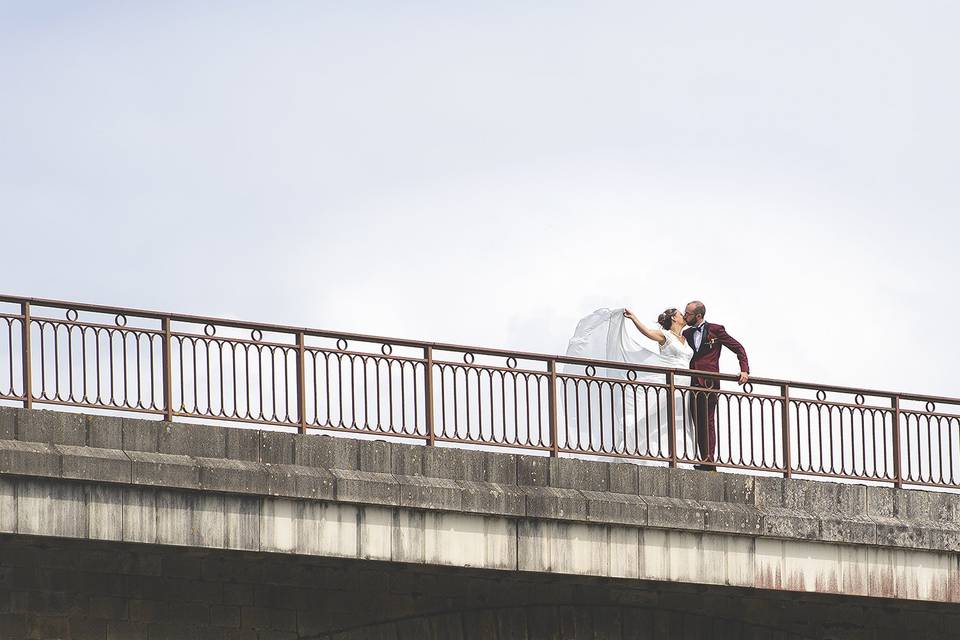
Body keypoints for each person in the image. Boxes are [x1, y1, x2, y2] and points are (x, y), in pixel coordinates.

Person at [564, 307, 694, 460]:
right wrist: (634, 318)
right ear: (673, 318)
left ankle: (678, 455)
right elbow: (647, 332)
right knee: (661, 415)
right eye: (680, 314)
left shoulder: (685, 338)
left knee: (679, 417)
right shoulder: (665, 335)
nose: (683, 316)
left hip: (685, 385)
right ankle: (645, 447)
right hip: (670, 382)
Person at [681, 300, 750, 471]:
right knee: (696, 420)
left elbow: (738, 348)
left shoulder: (716, 330)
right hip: (691, 382)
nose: (685, 316)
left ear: (698, 316)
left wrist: (744, 370)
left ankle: (709, 461)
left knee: (708, 421)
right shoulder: (687, 333)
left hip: (709, 383)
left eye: (688, 314)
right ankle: (703, 458)